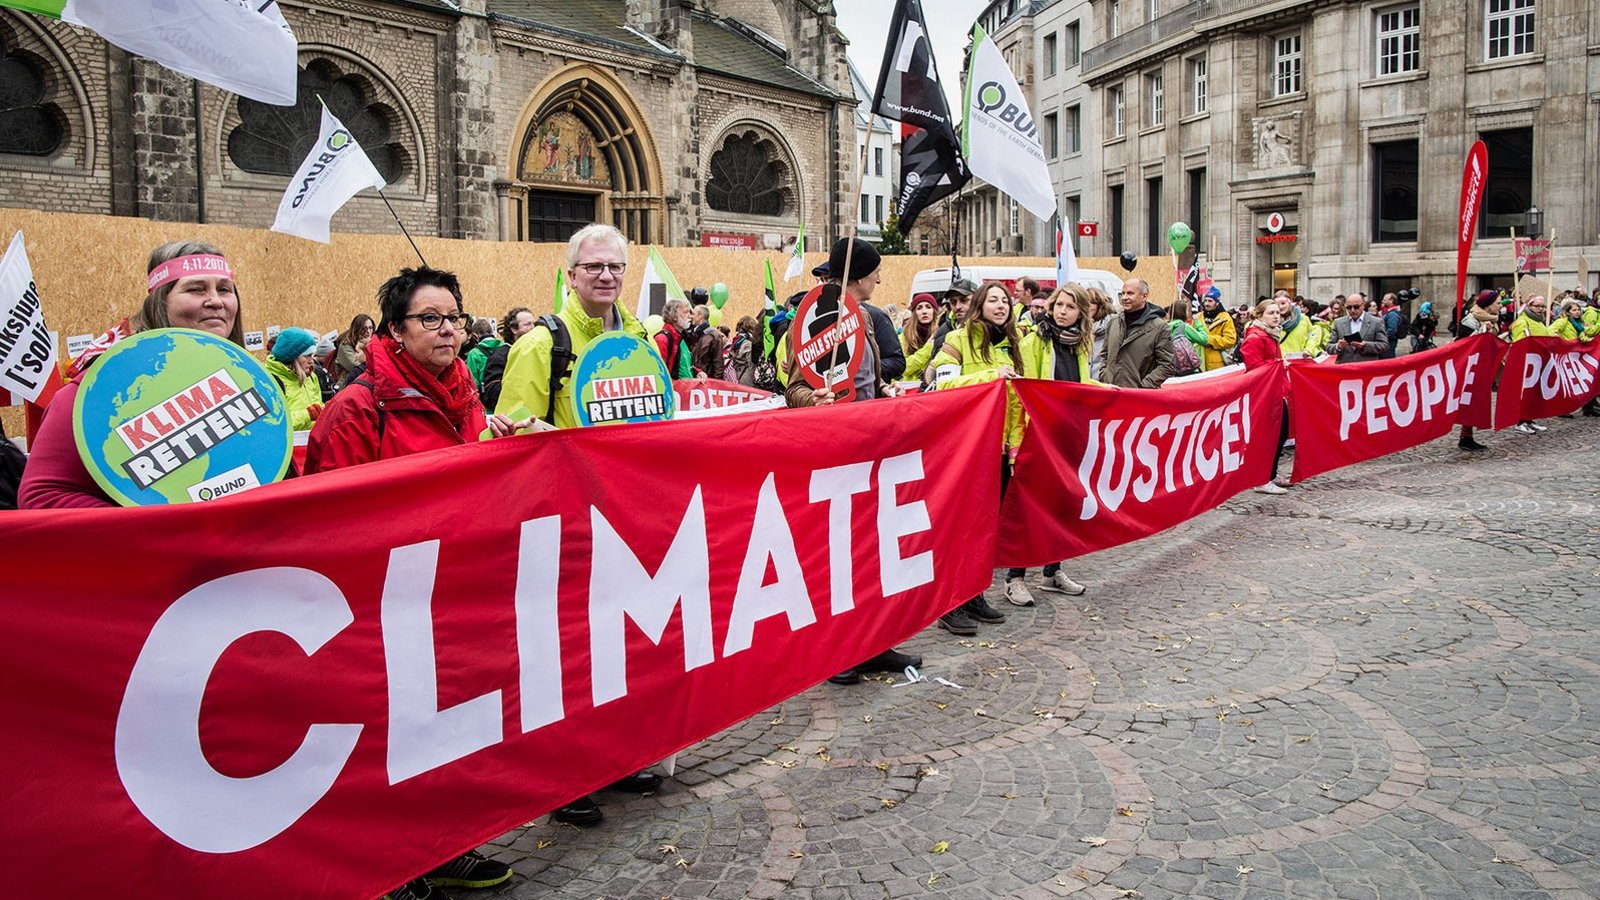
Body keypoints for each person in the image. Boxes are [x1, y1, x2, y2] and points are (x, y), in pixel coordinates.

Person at [303, 266, 516, 900]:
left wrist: (496, 443)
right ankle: (386, 864)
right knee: (386, 739)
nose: (447, 328)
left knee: (447, 730)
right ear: (395, 332)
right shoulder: (356, 407)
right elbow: (329, 519)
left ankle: (443, 845)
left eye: (453, 316)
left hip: (454, 594)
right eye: (430, 318)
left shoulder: (465, 390)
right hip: (382, 603)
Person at [489, 223, 665, 820]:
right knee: (564, 654)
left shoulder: (640, 334)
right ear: (571, 273)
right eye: (593, 266)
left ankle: (613, 758)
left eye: (615, 266)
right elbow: (510, 439)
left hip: (627, 513)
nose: (606, 276)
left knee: (621, 644)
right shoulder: (540, 346)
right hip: (565, 522)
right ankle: (564, 777)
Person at [782, 240, 922, 683]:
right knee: (836, 558)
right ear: (860, 275)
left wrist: (883, 391)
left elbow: (867, 381)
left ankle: (874, 643)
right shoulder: (815, 318)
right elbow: (793, 390)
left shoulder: (865, 317)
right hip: (832, 456)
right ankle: (838, 652)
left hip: (870, 452)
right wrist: (816, 402)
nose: (881, 279)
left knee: (871, 555)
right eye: (875, 271)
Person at [20, 240, 250, 509]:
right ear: (159, 303)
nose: (215, 301)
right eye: (196, 289)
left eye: (224, 289)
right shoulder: (98, 391)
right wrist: (158, 528)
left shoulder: (250, 382)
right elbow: (43, 496)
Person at [924, 281, 1023, 634]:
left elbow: (1015, 402)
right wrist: (989, 376)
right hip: (965, 450)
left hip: (997, 451)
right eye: (993, 299)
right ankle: (949, 604)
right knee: (960, 529)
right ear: (979, 305)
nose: (1001, 305)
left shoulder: (1011, 344)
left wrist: (1014, 445)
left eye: (1006, 301)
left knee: (984, 530)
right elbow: (941, 385)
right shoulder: (957, 339)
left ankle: (973, 594)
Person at [1003, 284, 1098, 605]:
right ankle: (1014, 578)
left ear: (1081, 313)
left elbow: (1079, 387)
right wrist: (1016, 442)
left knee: (1061, 507)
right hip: (1037, 438)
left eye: (1070, 307)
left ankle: (1051, 571)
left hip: (1067, 437)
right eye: (1059, 304)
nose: (1062, 311)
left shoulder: (1080, 347)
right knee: (1030, 509)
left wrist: (1105, 389)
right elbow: (1021, 394)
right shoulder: (1035, 342)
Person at [1238, 300, 1291, 495]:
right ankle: (1262, 478)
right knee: (1271, 436)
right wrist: (1277, 364)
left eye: (1278, 312)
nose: (1276, 316)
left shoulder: (1271, 334)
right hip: (1265, 394)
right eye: (1271, 313)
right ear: (1260, 316)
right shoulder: (1255, 337)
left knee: (1281, 433)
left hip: (1276, 390)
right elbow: (1253, 367)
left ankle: (1271, 473)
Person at [1102, 278, 1175, 388]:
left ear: (1144, 296)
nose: (1125, 297)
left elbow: (1167, 365)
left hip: (1138, 398)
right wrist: (1104, 376)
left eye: (1130, 293)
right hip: (1110, 394)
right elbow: (1104, 355)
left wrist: (1143, 386)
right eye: (1123, 293)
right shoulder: (1113, 322)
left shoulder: (1159, 328)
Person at [904, 278, 975, 382]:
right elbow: (903, 367)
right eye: (953, 302)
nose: (958, 306)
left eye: (964, 300)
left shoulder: (988, 328)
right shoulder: (943, 332)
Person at [263, 326, 326, 432]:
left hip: (312, 442)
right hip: (291, 446)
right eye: (307, 356)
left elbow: (317, 406)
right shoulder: (272, 382)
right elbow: (273, 424)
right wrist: (308, 414)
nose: (311, 361)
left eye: (312, 355)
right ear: (292, 357)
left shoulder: (311, 376)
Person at [1508, 295, 1555, 435]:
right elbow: (1519, 343)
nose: (1541, 309)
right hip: (1526, 363)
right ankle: (1520, 421)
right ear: (1529, 306)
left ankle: (1529, 419)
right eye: (1537, 306)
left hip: (1539, 362)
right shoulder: (1522, 322)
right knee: (1525, 393)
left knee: (1534, 393)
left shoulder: (1540, 322)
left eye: (1542, 306)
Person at [479, 306, 535, 409]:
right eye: (528, 324)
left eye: (534, 324)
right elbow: (492, 392)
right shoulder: (500, 356)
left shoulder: (534, 353)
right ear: (514, 329)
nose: (533, 328)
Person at [1331, 292, 1388, 363]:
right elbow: (1329, 346)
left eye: (1356, 307)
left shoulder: (1376, 322)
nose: (1352, 310)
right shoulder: (1338, 322)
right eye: (1349, 307)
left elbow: (1384, 346)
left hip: (1366, 368)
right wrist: (1338, 346)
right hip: (1345, 368)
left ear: (1363, 306)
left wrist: (1365, 345)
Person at [1197, 291, 1237, 370]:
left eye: (1210, 301)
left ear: (1217, 303)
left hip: (1216, 364)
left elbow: (1230, 340)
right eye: (1205, 301)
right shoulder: (1198, 317)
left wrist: (1209, 340)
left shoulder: (1225, 318)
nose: (1206, 304)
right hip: (1199, 361)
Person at [656, 298, 693, 381]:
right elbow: (660, 372)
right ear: (674, 317)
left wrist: (698, 372)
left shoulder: (682, 338)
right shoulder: (662, 339)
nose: (690, 316)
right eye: (685, 312)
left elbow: (686, 365)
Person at [1167, 299, 1207, 376]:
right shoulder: (1185, 327)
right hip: (1188, 370)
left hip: (1172, 370)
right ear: (1183, 313)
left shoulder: (1165, 327)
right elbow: (1204, 339)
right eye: (1188, 311)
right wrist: (1198, 323)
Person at [463, 317, 504, 389]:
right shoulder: (505, 348)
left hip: (486, 395)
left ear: (475, 336)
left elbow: (473, 383)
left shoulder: (473, 354)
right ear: (492, 332)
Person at [688, 303, 728, 378]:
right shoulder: (692, 334)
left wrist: (715, 384)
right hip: (694, 380)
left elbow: (718, 364)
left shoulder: (714, 336)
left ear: (700, 315)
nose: (691, 317)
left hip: (706, 382)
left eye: (693, 314)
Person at [331, 313, 375, 382]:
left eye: (370, 328)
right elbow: (358, 368)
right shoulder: (345, 345)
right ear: (357, 329)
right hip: (347, 386)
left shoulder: (372, 343)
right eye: (364, 328)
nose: (368, 332)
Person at [901, 293, 939, 359]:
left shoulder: (941, 333)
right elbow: (903, 366)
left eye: (928, 307)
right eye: (919, 308)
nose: (924, 311)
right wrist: (928, 348)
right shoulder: (904, 337)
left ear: (934, 311)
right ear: (914, 313)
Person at [728, 315, 760, 386]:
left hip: (736, 376)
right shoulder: (748, 343)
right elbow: (751, 364)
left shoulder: (736, 340)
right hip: (747, 378)